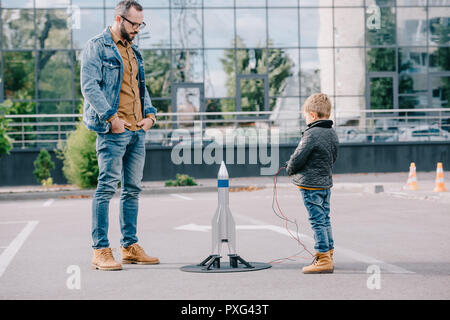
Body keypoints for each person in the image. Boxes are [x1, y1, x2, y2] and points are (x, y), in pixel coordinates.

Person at [81, 0, 159, 271]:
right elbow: (89, 87)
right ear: (119, 19)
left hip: (138, 131)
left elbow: (141, 87)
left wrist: (151, 116)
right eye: (133, 24)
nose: (137, 29)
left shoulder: (134, 51)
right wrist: (111, 119)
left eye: (141, 24)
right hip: (113, 130)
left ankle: (129, 246)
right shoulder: (97, 46)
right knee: (106, 189)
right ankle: (100, 250)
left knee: (132, 190)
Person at [286, 93, 339, 274]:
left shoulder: (311, 134)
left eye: (306, 116)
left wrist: (289, 168)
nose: (306, 120)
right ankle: (329, 253)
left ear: (313, 115)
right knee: (324, 218)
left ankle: (323, 258)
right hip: (325, 183)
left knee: (316, 220)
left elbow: (298, 157)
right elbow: (334, 157)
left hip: (310, 185)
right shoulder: (332, 133)